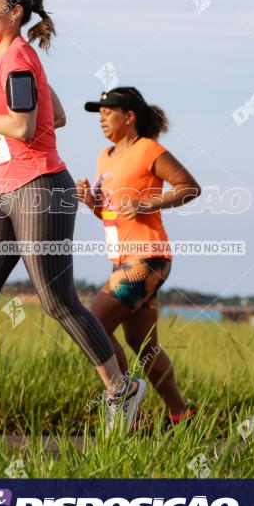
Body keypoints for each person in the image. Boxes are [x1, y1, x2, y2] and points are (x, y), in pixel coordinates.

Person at [0, 0, 146, 431]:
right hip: (5, 188)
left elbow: (27, 129)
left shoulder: (19, 60)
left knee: (55, 299)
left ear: (15, 12)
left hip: (41, 187)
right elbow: (57, 116)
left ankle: (120, 387)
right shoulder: (9, 61)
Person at [76, 87, 199, 427]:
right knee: (142, 345)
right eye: (98, 112)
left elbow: (189, 186)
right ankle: (181, 416)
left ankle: (126, 400)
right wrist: (92, 204)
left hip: (148, 256)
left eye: (107, 111)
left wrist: (148, 203)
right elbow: (112, 214)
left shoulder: (148, 149)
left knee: (92, 325)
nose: (101, 117)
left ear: (129, 117)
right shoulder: (105, 156)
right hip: (123, 258)